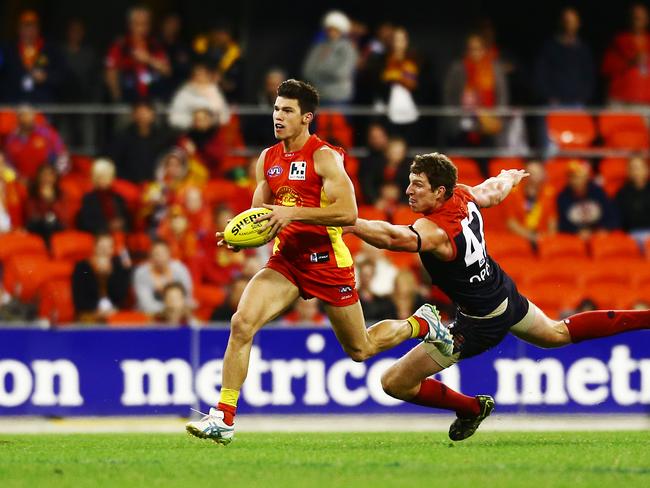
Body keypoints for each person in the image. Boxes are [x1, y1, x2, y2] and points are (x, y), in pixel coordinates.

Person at [186, 79, 451, 444]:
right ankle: (224, 416)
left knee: (360, 350)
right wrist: (239, 237)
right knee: (241, 323)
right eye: (276, 109)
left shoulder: (324, 156)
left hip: (327, 261)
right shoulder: (268, 159)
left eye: (287, 111)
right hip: (288, 261)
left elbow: (348, 212)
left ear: (306, 117)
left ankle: (419, 324)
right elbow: (260, 215)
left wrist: (291, 214)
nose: (278, 117)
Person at [345, 151, 649, 441]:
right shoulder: (461, 194)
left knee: (394, 382)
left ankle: (472, 408)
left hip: (479, 322)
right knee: (557, 334)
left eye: (418, 184)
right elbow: (492, 192)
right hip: (501, 292)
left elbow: (391, 237)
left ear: (439, 192)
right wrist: (508, 178)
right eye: (411, 181)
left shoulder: (435, 229)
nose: (409, 190)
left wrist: (347, 222)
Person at [105, 6, 170, 102]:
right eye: (137, 24)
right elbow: (110, 73)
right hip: (128, 100)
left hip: (153, 101)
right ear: (130, 25)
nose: (141, 28)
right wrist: (117, 98)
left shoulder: (155, 45)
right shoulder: (121, 45)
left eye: (145, 24)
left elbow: (167, 71)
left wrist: (148, 59)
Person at [72, 233, 131, 322]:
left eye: (108, 247)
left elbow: (120, 297)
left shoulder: (117, 267)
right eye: (101, 247)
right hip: (89, 313)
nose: (105, 251)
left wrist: (111, 274)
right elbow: (79, 298)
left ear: (112, 250)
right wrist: (96, 311)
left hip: (113, 313)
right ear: (94, 247)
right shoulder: (83, 267)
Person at [133, 239, 193, 314]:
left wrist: (178, 307)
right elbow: (146, 305)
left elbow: (187, 297)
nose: (160, 257)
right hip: (149, 315)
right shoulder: (142, 273)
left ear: (169, 254)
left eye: (163, 253)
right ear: (150, 256)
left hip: (179, 311)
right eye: (157, 254)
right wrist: (171, 308)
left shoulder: (180, 269)